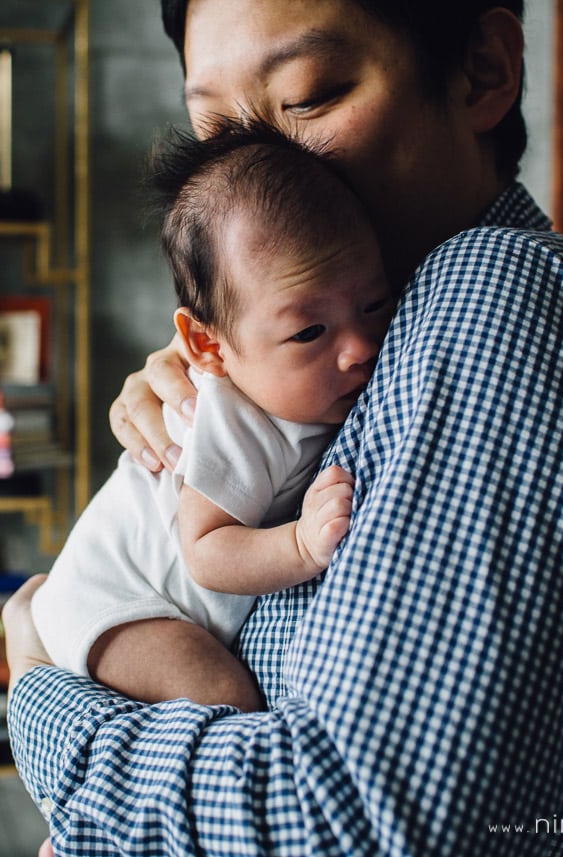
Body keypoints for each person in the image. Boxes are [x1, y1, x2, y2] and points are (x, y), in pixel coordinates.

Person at [4, 1, 563, 855]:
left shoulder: (495, 299)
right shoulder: (366, 365)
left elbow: (351, 827)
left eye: (310, 97)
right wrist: (238, 380)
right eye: (215, 128)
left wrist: (40, 691)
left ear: (483, 68)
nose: (261, 170)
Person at [30, 123, 392, 713]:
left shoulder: (312, 382)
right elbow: (205, 550)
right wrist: (300, 546)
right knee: (226, 695)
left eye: (373, 303)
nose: (359, 348)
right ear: (207, 348)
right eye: (309, 332)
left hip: (128, 601)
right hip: (116, 602)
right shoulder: (234, 418)